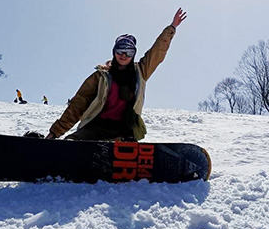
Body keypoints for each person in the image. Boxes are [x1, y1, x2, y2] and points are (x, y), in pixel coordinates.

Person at [30, 8, 187, 141]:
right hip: (96, 127)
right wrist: (54, 133)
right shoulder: (101, 76)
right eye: (120, 50)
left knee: (119, 147)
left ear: (134, 54)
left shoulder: (141, 71)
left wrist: (172, 28)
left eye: (129, 51)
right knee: (72, 143)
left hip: (124, 131)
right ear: (114, 52)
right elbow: (78, 105)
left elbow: (157, 52)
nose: (124, 55)